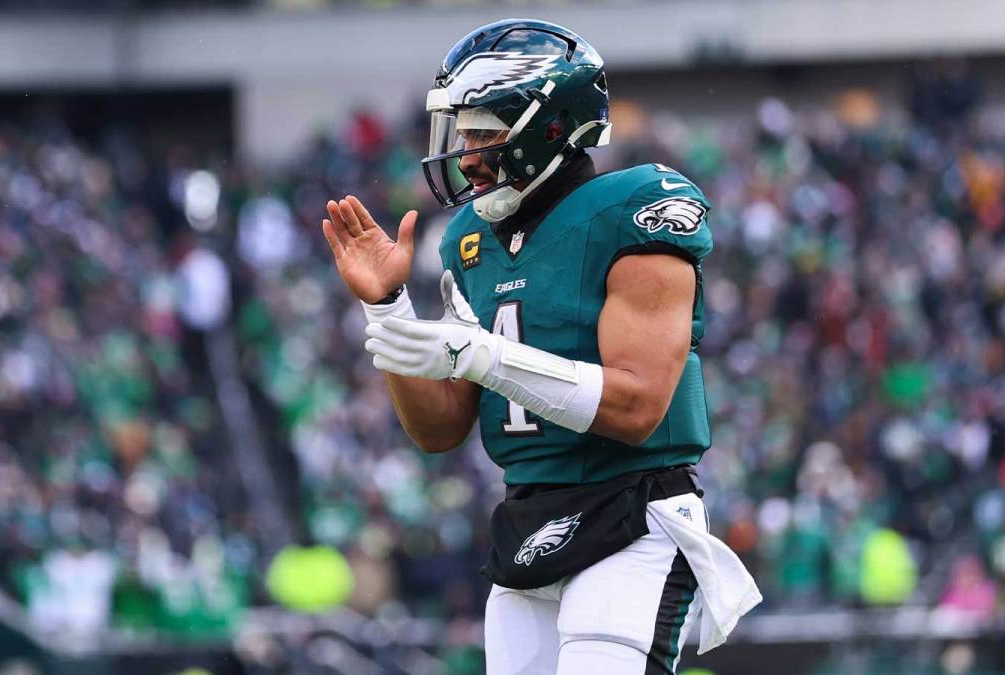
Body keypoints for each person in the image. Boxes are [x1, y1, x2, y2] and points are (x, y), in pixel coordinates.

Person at [321, 19, 759, 674]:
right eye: (461, 133)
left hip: (632, 513)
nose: (466, 154)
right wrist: (389, 307)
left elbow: (638, 406)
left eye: (483, 132)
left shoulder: (636, 205)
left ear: (550, 124)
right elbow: (440, 427)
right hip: (527, 517)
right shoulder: (469, 240)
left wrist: (482, 356)